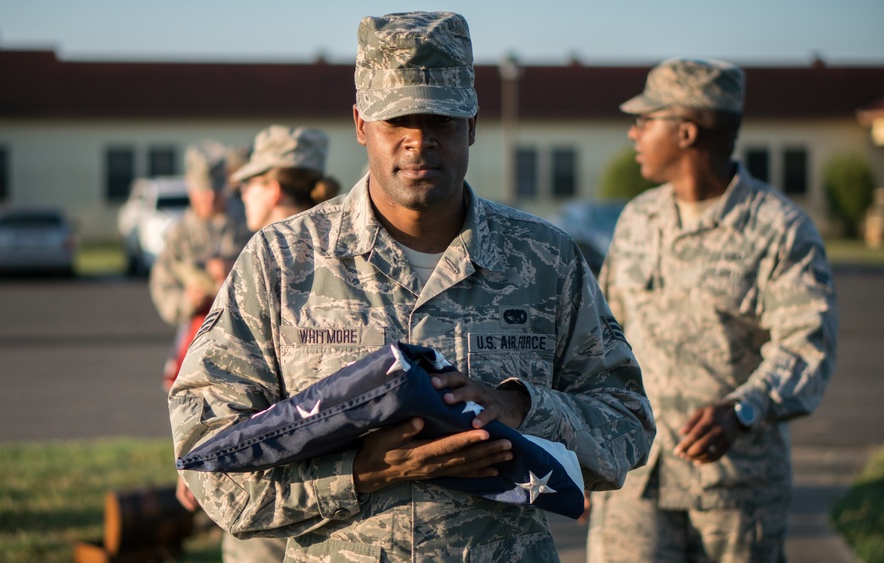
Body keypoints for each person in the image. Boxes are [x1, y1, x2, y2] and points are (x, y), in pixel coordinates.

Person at [169, 11, 654, 562]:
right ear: (360, 124)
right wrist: (361, 473)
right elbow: (205, 453)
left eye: (441, 121)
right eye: (396, 121)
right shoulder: (282, 261)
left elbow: (628, 424)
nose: (419, 143)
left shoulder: (545, 259)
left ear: (472, 124)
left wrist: (520, 406)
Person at [587, 58, 838, 562]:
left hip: (735, 493)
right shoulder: (639, 220)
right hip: (635, 484)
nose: (633, 132)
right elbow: (599, 344)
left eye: (646, 119)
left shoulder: (780, 230)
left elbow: (806, 346)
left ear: (684, 132)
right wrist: (589, 452)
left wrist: (744, 409)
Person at [175, 123, 340, 563]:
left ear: (271, 187)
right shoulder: (341, 249)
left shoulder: (267, 262)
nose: (240, 194)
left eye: (248, 183)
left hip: (272, 476)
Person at [149, 141, 252, 390]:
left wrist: (235, 271)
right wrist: (186, 301)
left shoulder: (248, 222)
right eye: (202, 190)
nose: (210, 197)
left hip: (247, 336)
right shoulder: (181, 234)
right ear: (190, 188)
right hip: (198, 334)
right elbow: (163, 283)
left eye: (216, 189)